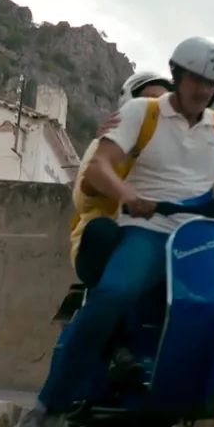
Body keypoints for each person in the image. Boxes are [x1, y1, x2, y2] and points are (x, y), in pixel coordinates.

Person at [2, 36, 214, 427]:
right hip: (149, 228)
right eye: (194, 78)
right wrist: (129, 196)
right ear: (178, 75)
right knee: (113, 293)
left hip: (206, 234)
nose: (201, 88)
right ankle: (46, 409)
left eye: (210, 82)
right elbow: (99, 164)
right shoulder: (141, 114)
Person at [71, 71, 173, 290]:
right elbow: (83, 198)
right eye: (150, 100)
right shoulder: (108, 144)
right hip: (112, 245)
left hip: (159, 244)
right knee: (102, 230)